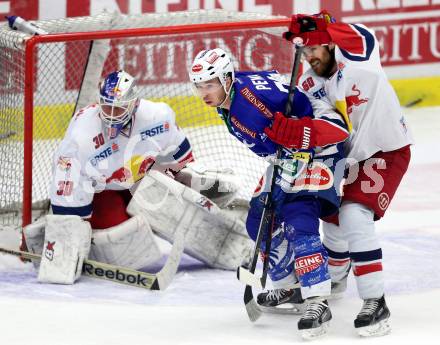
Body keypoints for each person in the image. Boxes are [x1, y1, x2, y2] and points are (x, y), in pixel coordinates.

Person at [23, 70, 253, 285]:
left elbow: (180, 157)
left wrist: (186, 191)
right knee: (125, 240)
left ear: (134, 104)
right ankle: (52, 239)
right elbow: (69, 202)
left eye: (119, 108)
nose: (111, 114)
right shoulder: (81, 137)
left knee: (175, 207)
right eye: (106, 106)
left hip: (140, 180)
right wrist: (65, 241)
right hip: (101, 192)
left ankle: (236, 249)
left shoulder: (156, 116)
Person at [189, 48, 349, 339]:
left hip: (318, 146)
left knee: (298, 217)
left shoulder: (247, 108)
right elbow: (274, 83)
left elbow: (300, 132)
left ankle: (318, 301)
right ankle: (291, 287)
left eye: (209, 84)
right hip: (288, 154)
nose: (203, 93)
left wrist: (287, 175)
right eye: (199, 86)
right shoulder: (232, 95)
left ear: (226, 79)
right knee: (258, 221)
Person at [282, 11, 414, 337]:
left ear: (330, 42)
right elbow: (324, 124)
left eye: (315, 48)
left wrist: (323, 25)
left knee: (354, 215)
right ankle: (336, 277)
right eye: (305, 51)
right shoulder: (308, 82)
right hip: (348, 155)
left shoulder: (360, 53)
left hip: (386, 148)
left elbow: (353, 34)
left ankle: (375, 299)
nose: (310, 57)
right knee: (331, 215)